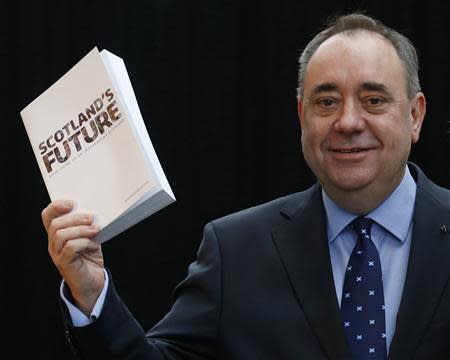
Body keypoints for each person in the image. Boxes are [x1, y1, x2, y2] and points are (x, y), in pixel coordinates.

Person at [42, 12, 450, 359]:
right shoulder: (236, 251)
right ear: (301, 116)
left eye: (373, 100)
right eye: (326, 102)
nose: (347, 122)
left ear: (415, 116)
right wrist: (93, 295)